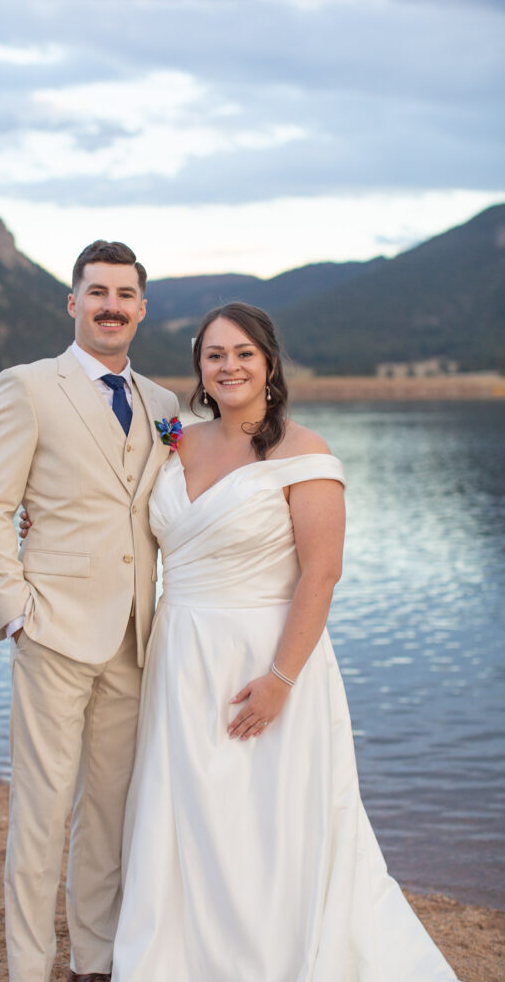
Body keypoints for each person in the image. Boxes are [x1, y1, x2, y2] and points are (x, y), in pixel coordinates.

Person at [106, 303, 460, 980]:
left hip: (266, 658)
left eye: (242, 353)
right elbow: (114, 510)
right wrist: (36, 519)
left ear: (268, 363)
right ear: (199, 370)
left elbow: (321, 573)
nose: (228, 366)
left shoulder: (303, 451)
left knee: (264, 819)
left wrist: (279, 680)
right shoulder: (173, 439)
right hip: (180, 654)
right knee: (189, 811)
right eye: (214, 355)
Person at [0, 240, 179, 982]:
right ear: (73, 303)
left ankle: (95, 961)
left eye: (124, 294)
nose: (110, 306)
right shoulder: (26, 386)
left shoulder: (165, 407)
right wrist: (15, 608)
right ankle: (30, 967)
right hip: (52, 629)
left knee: (110, 814)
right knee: (43, 812)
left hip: (134, 636)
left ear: (141, 308)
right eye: (97, 292)